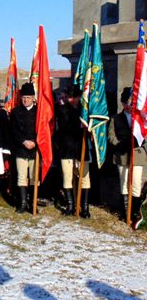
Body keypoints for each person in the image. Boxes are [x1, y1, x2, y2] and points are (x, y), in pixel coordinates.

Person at [108, 87, 147, 226]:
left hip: (137, 154)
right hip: (122, 154)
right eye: (127, 103)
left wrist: (141, 144)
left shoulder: (141, 118)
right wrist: (118, 144)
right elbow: (111, 135)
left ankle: (134, 212)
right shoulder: (116, 118)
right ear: (123, 103)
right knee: (124, 183)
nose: (129, 106)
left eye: (131, 103)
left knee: (136, 183)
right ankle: (126, 212)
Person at [55, 86, 91, 217]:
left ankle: (85, 208)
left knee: (84, 179)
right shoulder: (62, 109)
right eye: (68, 97)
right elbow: (65, 127)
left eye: (73, 97)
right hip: (67, 148)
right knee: (67, 177)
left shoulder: (85, 110)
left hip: (82, 148)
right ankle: (70, 206)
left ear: (78, 97)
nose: (71, 100)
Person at [10, 83, 37, 213]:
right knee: (21, 176)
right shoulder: (15, 112)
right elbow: (13, 130)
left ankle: (32, 203)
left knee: (33, 177)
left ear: (33, 97)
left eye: (28, 97)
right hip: (20, 148)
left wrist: (35, 142)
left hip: (35, 149)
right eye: (23, 97)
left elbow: (43, 131)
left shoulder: (39, 112)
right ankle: (22, 203)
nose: (25, 100)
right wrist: (23, 141)